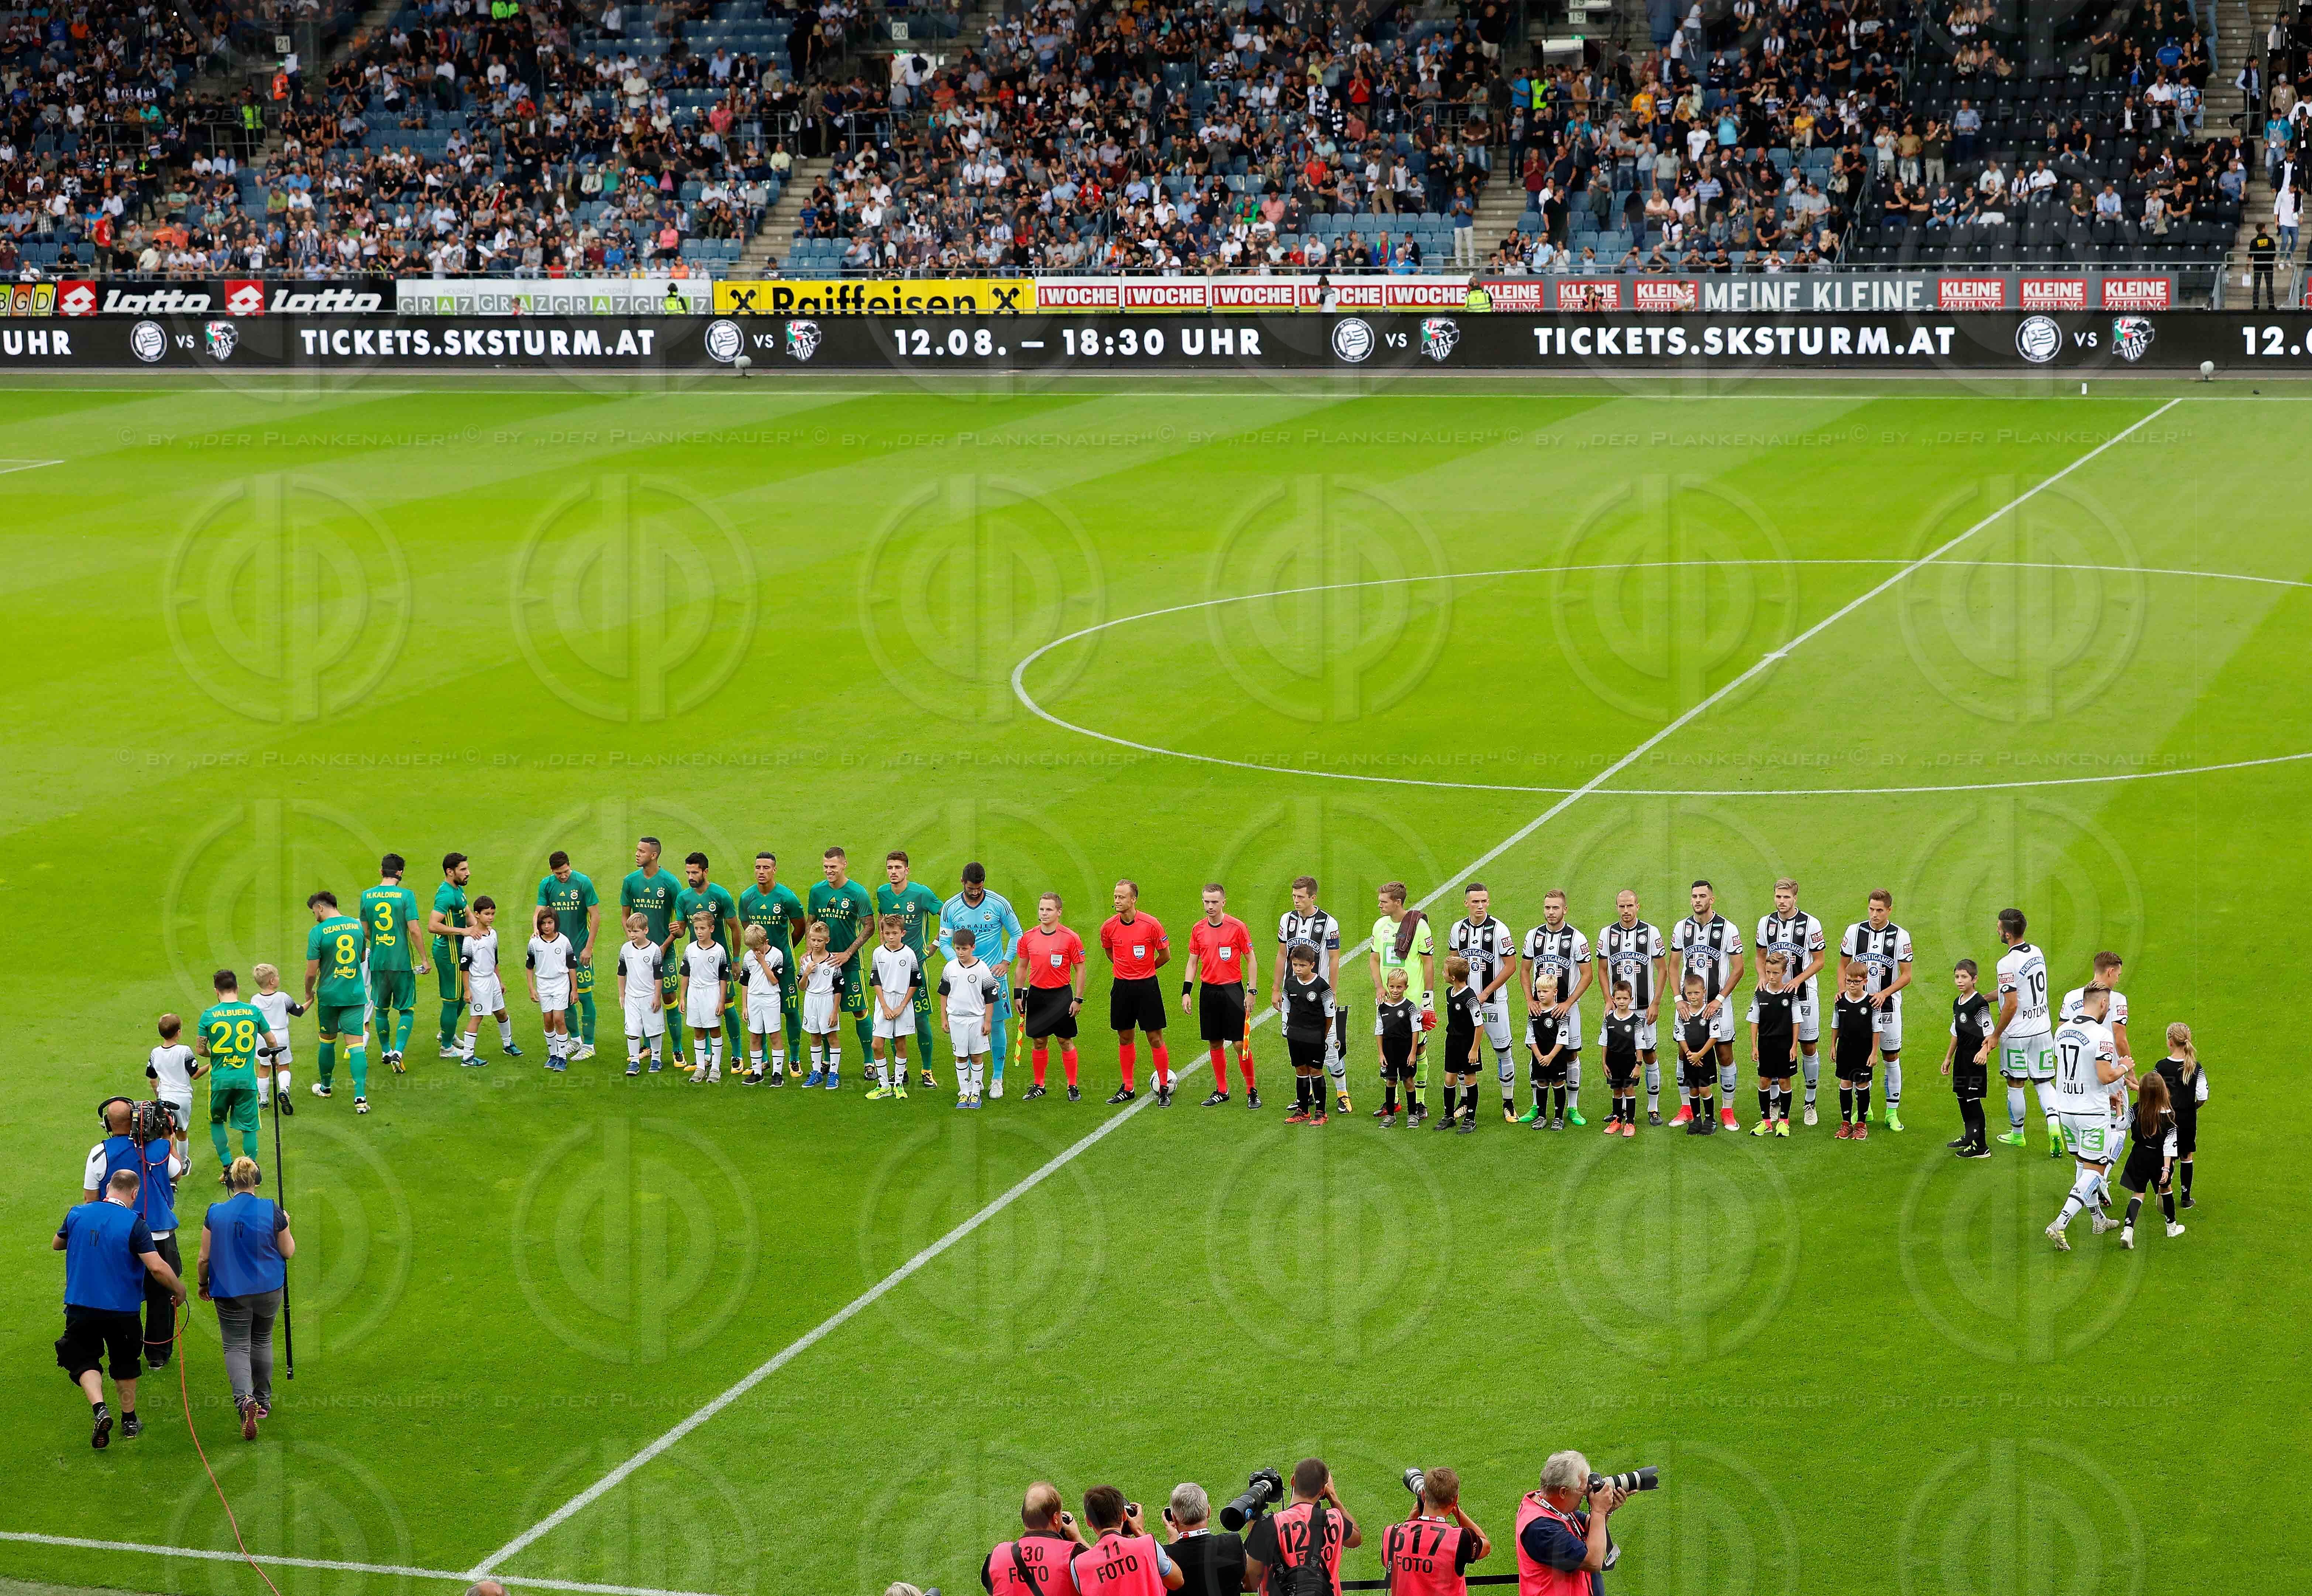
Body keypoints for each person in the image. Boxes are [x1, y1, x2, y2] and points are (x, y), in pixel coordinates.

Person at [55, 1167, 186, 1448]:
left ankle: (100, 1408)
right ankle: (129, 1421)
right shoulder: (135, 1224)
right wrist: (179, 1290)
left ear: (108, 1188)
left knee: (83, 1359)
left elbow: (57, 1244)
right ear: (135, 1193)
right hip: (122, 1310)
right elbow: (157, 1268)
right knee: (126, 1365)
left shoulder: (77, 1214)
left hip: (81, 1305)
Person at [83, 1098, 185, 1367]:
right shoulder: (160, 1148)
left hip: (117, 1237)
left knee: (122, 1292)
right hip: (159, 1235)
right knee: (162, 1295)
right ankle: (157, 1356)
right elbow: (177, 1173)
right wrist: (168, 1138)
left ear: (108, 1124)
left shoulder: (99, 1153)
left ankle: (126, 1351)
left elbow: (90, 1200)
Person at [200, 1155, 293, 1439]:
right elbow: (288, 1251)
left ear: (230, 1183)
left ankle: (244, 1400)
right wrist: (286, 1224)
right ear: (258, 1181)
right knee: (262, 1340)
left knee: (236, 1346)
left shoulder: (215, 1213)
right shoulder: (272, 1211)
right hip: (268, 1289)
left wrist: (203, 1283)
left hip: (229, 1292)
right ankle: (262, 1402)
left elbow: (204, 1258)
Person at [2046, 986, 2126, 1249]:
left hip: (2066, 1111)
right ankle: (2060, 1223)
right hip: (2092, 1113)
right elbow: (2105, 1076)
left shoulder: (2061, 1031)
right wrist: (2124, 1067)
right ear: (2103, 1004)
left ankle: (2098, 1220)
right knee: (2096, 1170)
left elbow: (2072, 1069)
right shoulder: (2102, 1035)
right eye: (2108, 1005)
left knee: (2083, 1166)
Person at [943, 863, 1025, 1097]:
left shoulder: (999, 904)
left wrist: (1006, 962)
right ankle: (973, 1080)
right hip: (964, 981)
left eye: (979, 888)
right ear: (963, 883)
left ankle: (997, 1078)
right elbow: (946, 942)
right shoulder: (950, 907)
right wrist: (959, 966)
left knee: (996, 1025)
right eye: (971, 888)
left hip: (993, 979)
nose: (975, 892)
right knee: (968, 1026)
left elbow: (1017, 934)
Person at [1671, 881, 1745, 1130]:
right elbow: (1673, 966)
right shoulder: (1682, 927)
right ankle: (1686, 1109)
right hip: (1688, 1004)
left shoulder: (1728, 929)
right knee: (1684, 1053)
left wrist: (1719, 999)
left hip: (1717, 1004)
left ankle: (1727, 1111)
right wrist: (1678, 999)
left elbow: (1739, 968)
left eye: (1703, 896)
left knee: (1724, 1055)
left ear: (1712, 900)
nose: (1698, 900)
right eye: (1694, 896)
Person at [1983, 908, 2058, 1155]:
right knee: (2044, 1083)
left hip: (2017, 1035)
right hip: (2042, 1030)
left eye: (1999, 928)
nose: (1997, 931)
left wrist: (1996, 1035)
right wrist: (1984, 999)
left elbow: (2012, 1003)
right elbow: (2016, 990)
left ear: (2007, 934)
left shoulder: (2006, 963)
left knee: (2016, 1084)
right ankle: (2054, 1127)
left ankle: (2018, 1135)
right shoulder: (2037, 952)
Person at [1754, 879, 1828, 1124]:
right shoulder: (1765, 923)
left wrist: (1797, 981)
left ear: (1795, 898)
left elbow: (1820, 961)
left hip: (1804, 995)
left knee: (1808, 1047)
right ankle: (1775, 1101)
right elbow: (1760, 956)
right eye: (1778, 897)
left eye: (1786, 897)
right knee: (1775, 1046)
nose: (1782, 901)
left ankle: (1810, 1102)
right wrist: (1763, 977)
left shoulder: (1811, 923)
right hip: (1775, 998)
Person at [1274, 876, 1350, 1113]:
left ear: (1313, 897)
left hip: (1319, 997)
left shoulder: (1329, 923)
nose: (1296, 901)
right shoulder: (1286, 920)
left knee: (1331, 1049)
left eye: (1300, 897)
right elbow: (1281, 955)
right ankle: (1305, 1097)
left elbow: (1335, 959)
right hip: (1294, 996)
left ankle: (1343, 1094)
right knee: (1300, 1047)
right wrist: (1276, 988)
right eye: (1294, 896)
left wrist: (1332, 992)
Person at [1840, 890, 1914, 1131]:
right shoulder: (1854, 931)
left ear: (1889, 910)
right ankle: (1866, 1109)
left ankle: (1892, 1112)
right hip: (1858, 1010)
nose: (1874, 914)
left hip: (1888, 1008)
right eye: (1871, 909)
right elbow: (1842, 966)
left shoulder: (1901, 936)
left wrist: (1884, 993)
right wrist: (1843, 992)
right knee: (1862, 1058)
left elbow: (1907, 976)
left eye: (1880, 910)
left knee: (1891, 1058)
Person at [1446, 884, 1521, 1123]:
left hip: (1493, 1003)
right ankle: (1465, 1101)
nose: (1480, 906)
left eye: (1484, 901)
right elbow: (1453, 965)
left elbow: (1511, 966)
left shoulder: (1499, 930)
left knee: (1503, 1051)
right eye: (1475, 902)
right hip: (1465, 1006)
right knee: (1463, 1052)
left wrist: (1486, 992)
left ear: (1488, 902)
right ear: (1466, 903)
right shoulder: (1457, 929)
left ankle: (1508, 1103)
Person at [877, 850, 947, 1090]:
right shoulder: (883, 893)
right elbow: (882, 918)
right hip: (890, 969)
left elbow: (948, 916)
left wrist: (934, 945)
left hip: (916, 966)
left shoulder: (921, 894)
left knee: (921, 1019)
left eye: (898, 867)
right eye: (890, 867)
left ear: (907, 870)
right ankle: (901, 1071)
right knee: (891, 1017)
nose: (893, 872)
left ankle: (927, 1070)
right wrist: (883, 946)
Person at [809, 847, 879, 1082]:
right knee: (825, 1012)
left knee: (859, 1010)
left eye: (833, 867)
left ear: (844, 865)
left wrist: (848, 953)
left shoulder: (857, 892)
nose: (829, 871)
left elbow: (870, 926)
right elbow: (812, 922)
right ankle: (827, 1062)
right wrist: (810, 951)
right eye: (826, 867)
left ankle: (870, 1062)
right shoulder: (817, 891)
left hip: (849, 963)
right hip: (823, 964)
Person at [1521, 890, 1590, 1127]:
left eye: (1556, 908)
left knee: (1570, 1054)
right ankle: (1536, 1107)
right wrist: (1530, 1000)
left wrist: (1568, 1003)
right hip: (1539, 1009)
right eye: (1548, 908)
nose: (1551, 912)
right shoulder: (1533, 936)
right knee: (1536, 1053)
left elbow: (1587, 975)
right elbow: (1525, 971)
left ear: (1565, 910)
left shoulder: (1577, 938)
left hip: (1567, 1009)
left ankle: (1572, 1107)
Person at [1100, 880, 1172, 1104]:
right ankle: (1128, 1087)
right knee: (1125, 1037)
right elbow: (1109, 952)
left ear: (1133, 900)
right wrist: (1124, 968)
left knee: (1155, 1038)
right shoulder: (1108, 927)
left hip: (1147, 987)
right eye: (1115, 897)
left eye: (1121, 897)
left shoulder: (1151, 925)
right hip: (1122, 988)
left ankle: (1164, 1087)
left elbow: (1165, 955)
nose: (1117, 901)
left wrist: (1147, 969)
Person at [1185, 884, 1258, 1108]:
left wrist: (1251, 991)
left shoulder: (1237, 927)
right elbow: (1193, 962)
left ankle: (1251, 1090)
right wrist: (1187, 992)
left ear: (1223, 902)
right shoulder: (1198, 929)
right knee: (1215, 1042)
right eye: (1207, 902)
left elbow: (1251, 960)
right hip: (1209, 991)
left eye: (1215, 902)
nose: (1210, 906)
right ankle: (1222, 1090)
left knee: (1240, 1044)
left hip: (1233, 991)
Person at [1598, 891, 1667, 1124]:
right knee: (1618, 1055)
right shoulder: (1607, 934)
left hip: (1643, 1010)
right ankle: (1619, 1110)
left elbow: (1663, 970)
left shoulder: (1651, 932)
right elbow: (1602, 970)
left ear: (1638, 906)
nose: (1626, 911)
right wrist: (1608, 999)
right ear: (1617, 907)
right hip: (1619, 1009)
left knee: (1648, 1055)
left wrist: (1656, 1003)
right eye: (1622, 906)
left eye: (1630, 906)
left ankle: (1653, 1108)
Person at [739, 852, 808, 1083]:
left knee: (790, 1010)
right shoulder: (747, 898)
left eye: (766, 868)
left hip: (784, 964)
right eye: (758, 867)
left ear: (774, 870)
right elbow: (748, 928)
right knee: (760, 1011)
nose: (761, 872)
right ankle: (764, 1059)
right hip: (757, 964)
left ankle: (795, 1058)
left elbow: (800, 927)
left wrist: (787, 949)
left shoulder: (787, 897)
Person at [1244, 1459, 1359, 1595]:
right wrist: (1333, 1497)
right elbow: (1356, 1539)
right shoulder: (1335, 1519)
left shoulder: (1267, 1526)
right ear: (1323, 1490)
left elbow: (1250, 1584)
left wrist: (1253, 1515)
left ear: (1293, 1480)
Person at [1515, 1451, 1625, 1594]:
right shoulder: (1541, 1529)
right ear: (1563, 1492)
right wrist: (1599, 1511)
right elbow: (1593, 1561)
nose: (1586, 1494)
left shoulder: (1553, 1503)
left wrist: (1607, 1510)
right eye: (1582, 1490)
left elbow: (1589, 1525)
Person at [622, 837, 689, 1069]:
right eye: (637, 850)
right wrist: (633, 941)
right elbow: (625, 915)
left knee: (668, 997)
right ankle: (645, 1047)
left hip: (665, 952)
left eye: (642, 851)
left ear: (654, 855)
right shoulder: (631, 881)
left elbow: (681, 922)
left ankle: (678, 1049)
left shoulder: (670, 883)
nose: (637, 854)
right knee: (640, 995)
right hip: (638, 953)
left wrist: (665, 944)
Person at [1370, 883, 1434, 1121]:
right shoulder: (1380, 926)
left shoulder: (1420, 927)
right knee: (1390, 1048)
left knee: (1418, 1049)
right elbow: (1374, 959)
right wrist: (1380, 987)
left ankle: (1420, 1102)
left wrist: (1428, 999)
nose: (1379, 905)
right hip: (1388, 1001)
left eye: (1384, 901)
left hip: (1412, 1001)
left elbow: (1428, 963)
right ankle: (1394, 1102)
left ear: (1397, 902)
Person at [302, 894, 371, 1113]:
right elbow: (362, 958)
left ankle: (326, 1087)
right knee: (356, 1046)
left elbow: (311, 972)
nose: (315, 916)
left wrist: (308, 992)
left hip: (329, 996)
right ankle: (360, 1098)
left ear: (320, 908)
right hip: (354, 995)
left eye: (314, 911)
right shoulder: (356, 926)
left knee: (327, 1042)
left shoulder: (318, 932)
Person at [358, 853, 426, 1073]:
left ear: (381, 871)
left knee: (381, 1009)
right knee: (407, 1009)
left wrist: (380, 942)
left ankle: (386, 1051)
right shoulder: (406, 896)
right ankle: (399, 1051)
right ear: (400, 873)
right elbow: (414, 930)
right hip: (401, 962)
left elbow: (365, 931)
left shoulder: (367, 896)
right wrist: (425, 959)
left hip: (378, 961)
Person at [676, 853, 744, 1071]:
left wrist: (735, 959)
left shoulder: (720, 895)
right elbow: (681, 930)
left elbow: (735, 928)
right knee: (700, 1007)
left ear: (705, 872)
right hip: (697, 960)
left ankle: (737, 1055)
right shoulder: (683, 898)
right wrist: (676, 931)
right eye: (688, 872)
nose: (691, 877)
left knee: (728, 1006)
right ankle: (705, 1056)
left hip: (720, 960)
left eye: (695, 872)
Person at [1018, 892, 1089, 1101]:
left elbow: (1080, 969)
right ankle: (1039, 1085)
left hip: (1061, 996)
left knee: (1065, 1041)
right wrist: (1018, 994)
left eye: (1049, 909)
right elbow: (1022, 967)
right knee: (1039, 1041)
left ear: (1059, 912)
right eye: (1041, 909)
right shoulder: (1029, 937)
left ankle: (1072, 1085)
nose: (1044, 913)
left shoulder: (1070, 938)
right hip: (1037, 995)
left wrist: (1078, 999)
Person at [1382, 1468, 1489, 1595]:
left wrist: (1413, 1516)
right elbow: (1486, 1546)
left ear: (1423, 1495)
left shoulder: (1393, 1534)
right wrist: (1457, 1511)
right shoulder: (1461, 1539)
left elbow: (1389, 1562)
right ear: (1455, 1500)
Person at [538, 851, 602, 1061]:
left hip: (580, 949)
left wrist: (589, 948)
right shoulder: (547, 885)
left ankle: (590, 1045)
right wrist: (536, 931)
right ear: (552, 871)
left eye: (566, 872)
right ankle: (575, 1039)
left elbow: (595, 916)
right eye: (559, 874)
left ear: (569, 865)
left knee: (584, 996)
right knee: (564, 998)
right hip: (557, 953)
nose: (563, 876)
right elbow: (540, 912)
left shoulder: (583, 883)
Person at [1069, 1486, 1184, 1595]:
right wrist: (1139, 1531)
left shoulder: (1078, 1565)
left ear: (1088, 1521)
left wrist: (1077, 1538)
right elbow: (1177, 1581)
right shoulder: (1148, 1545)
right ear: (1124, 1515)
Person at [2115, 1068, 2181, 1249]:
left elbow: (2121, 1125)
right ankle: (2171, 1227)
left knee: (2138, 1194)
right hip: (2159, 1159)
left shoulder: (2136, 1109)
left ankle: (2128, 1230)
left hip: (2138, 1155)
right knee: (2166, 1190)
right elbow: (2170, 1146)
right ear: (2162, 1091)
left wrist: (2119, 1106)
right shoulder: (2169, 1115)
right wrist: (2166, 1169)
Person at [984, 1480, 1088, 1595]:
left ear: (1024, 1517)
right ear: (1056, 1519)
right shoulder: (1073, 1554)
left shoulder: (997, 1555)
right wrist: (1077, 1538)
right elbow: (1100, 1578)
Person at [939, 928, 1002, 1108]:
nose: (961, 953)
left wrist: (988, 1022)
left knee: (976, 1056)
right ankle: (964, 1092)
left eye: (964, 949)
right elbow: (944, 994)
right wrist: (944, 1018)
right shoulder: (950, 968)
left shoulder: (982, 969)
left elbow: (990, 998)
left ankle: (975, 1093)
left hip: (976, 1020)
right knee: (960, 1057)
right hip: (956, 1019)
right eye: (958, 949)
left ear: (973, 948)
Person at [427, 852, 478, 1059]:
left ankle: (447, 1032)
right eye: (463, 870)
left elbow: (467, 914)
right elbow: (433, 926)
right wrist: (463, 932)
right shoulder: (446, 895)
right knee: (452, 999)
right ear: (450, 872)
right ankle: (447, 1048)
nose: (468, 873)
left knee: (462, 996)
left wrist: (482, 931)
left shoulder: (458, 890)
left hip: (458, 951)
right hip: (449, 953)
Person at [1280, 942, 1337, 1126]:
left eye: (1302, 965)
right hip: (1295, 1035)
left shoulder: (1321, 986)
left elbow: (1330, 1014)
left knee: (1315, 1071)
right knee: (1301, 1071)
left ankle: (1321, 1113)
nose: (1298, 969)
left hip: (1315, 1036)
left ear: (1312, 965)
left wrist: (1323, 1034)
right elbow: (1286, 1008)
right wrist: (1287, 1028)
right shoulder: (1290, 984)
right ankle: (1303, 1111)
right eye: (1295, 965)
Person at [456, 897, 517, 1066]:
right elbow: (465, 967)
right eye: (487, 914)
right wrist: (467, 990)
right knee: (477, 1018)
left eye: (493, 914)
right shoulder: (471, 938)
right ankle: (467, 1057)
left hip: (492, 980)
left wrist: (500, 981)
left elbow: (495, 960)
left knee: (501, 1013)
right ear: (477, 914)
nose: (491, 917)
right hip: (479, 983)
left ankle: (508, 1045)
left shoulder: (493, 934)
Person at [1942, 959, 1993, 1158]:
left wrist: (1984, 1052)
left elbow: (1990, 1034)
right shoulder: (1957, 1003)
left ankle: (1981, 1146)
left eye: (1964, 977)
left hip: (1975, 1060)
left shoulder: (1980, 1004)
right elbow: (1955, 1033)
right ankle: (1970, 1136)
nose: (1960, 981)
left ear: (1975, 979)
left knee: (1972, 1101)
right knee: (1962, 1098)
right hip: (1961, 1058)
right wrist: (1948, 1058)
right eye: (1957, 977)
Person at [2154, 1022, 2208, 1209]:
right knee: (2186, 1155)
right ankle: (2186, 1198)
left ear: (2170, 1042)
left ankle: (2164, 1192)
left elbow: (2153, 1090)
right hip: (2187, 1118)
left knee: (2167, 1155)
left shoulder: (2161, 1067)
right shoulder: (2195, 1067)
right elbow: (2203, 1096)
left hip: (2166, 1118)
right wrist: (2193, 1107)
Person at [1746, 951, 1798, 1137]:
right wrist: (1754, 1046)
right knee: (1764, 1080)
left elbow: (1796, 1021)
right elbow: (1754, 1021)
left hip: (1785, 1045)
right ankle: (1766, 1122)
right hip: (1766, 1044)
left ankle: (1784, 1121)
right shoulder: (1760, 994)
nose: (1771, 977)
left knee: (1784, 1081)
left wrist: (1794, 1046)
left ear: (1784, 972)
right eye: (1768, 972)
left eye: (1776, 973)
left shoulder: (1790, 994)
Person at [1159, 1483, 1244, 1596]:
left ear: (1174, 1518)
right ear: (1208, 1511)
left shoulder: (1164, 1558)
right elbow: (1249, 1582)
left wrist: (1174, 1545)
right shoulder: (1234, 1543)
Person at [680, 910, 735, 1084]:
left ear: (711, 929)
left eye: (703, 928)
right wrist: (682, 998)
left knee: (715, 1030)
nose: (699, 932)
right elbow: (685, 975)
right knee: (698, 1031)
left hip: (712, 993)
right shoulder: (690, 949)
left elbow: (723, 978)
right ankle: (701, 1068)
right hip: (694, 993)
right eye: (696, 928)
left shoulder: (719, 951)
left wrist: (721, 1001)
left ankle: (716, 1068)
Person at [526, 906, 578, 1074]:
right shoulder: (534, 943)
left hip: (561, 984)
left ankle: (562, 1057)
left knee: (559, 1019)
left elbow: (572, 967)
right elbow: (530, 967)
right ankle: (553, 1055)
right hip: (543, 985)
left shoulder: (564, 941)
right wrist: (532, 988)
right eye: (544, 923)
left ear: (556, 923)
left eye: (550, 923)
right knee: (548, 1021)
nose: (547, 926)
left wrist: (574, 990)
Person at [616, 911, 668, 1076]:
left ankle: (656, 1059)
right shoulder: (626, 949)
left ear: (646, 931)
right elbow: (621, 973)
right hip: (632, 997)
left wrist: (657, 996)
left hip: (649, 996)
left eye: (636, 931)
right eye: (630, 931)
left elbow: (658, 976)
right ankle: (634, 1061)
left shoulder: (654, 950)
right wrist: (622, 995)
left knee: (654, 1030)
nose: (632, 935)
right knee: (632, 1030)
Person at [738, 924, 788, 1086]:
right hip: (754, 1000)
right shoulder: (748, 957)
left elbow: (774, 980)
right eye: (751, 948)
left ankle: (777, 1074)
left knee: (774, 1035)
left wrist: (762, 962)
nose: (754, 951)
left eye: (757, 947)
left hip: (771, 999)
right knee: (755, 1036)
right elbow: (745, 983)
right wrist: (745, 1006)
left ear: (766, 942)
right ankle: (757, 1072)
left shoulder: (777, 955)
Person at [247, 965, 302, 1112]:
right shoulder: (283, 997)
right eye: (277, 976)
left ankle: (264, 1100)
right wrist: (310, 1000)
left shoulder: (255, 1000)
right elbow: (298, 1012)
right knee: (283, 1066)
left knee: (264, 1067)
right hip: (281, 1036)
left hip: (262, 1037)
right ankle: (284, 1090)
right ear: (272, 981)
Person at [1831, 965, 1877, 1139]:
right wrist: (1833, 1046)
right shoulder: (1840, 1001)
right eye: (1849, 981)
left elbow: (1877, 1029)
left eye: (1856, 982)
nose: (1852, 985)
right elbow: (1835, 1025)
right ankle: (1846, 1124)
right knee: (1845, 1083)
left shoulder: (1872, 1003)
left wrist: (1874, 1052)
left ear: (1865, 981)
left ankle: (1861, 1125)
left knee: (1862, 1084)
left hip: (1863, 1051)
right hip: (1845, 1049)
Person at [149, 1013, 205, 1155]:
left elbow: (152, 1079)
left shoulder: (155, 1053)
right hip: (183, 1099)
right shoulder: (184, 1051)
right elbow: (195, 1074)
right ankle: (183, 1162)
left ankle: (167, 1161)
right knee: (182, 1132)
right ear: (179, 1032)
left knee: (166, 1133)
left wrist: (159, 1096)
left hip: (165, 1098)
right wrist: (212, 1065)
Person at [1673, 974, 1719, 1136]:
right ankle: (1697, 1120)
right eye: (1690, 994)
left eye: (1697, 993)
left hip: (1705, 1057)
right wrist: (1688, 1053)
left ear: (1704, 992)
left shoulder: (1709, 1012)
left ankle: (1710, 1120)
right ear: (1685, 994)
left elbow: (1715, 1036)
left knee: (1704, 1089)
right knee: (1693, 1089)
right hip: (1690, 1058)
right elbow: (1680, 1036)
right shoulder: (1683, 1013)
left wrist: (1700, 1054)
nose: (1693, 997)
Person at [799, 921, 843, 1086]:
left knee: (832, 1037)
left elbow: (839, 989)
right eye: (813, 940)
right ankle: (816, 1072)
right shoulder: (805, 961)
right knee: (815, 1036)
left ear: (827, 941)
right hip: (811, 1001)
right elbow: (802, 987)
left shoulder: (833, 962)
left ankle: (834, 1073)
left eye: (820, 940)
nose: (816, 944)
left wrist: (835, 1012)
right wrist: (806, 974)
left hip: (827, 1001)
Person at [1375, 968, 1420, 1127]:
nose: (1395, 990)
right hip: (1389, 1051)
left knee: (1408, 1081)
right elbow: (1379, 1031)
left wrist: (1413, 1053)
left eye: (1399, 987)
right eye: (1392, 987)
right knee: (1391, 1081)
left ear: (1406, 987)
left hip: (1406, 1051)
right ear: (1388, 986)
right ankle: (1390, 1115)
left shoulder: (1410, 1007)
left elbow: (1416, 1031)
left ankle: (1413, 1114)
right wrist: (1381, 1054)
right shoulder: (1382, 1008)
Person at [1599, 982, 1642, 1136]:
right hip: (1613, 1062)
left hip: (1629, 1062)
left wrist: (1638, 1065)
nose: (1622, 1001)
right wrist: (1604, 1062)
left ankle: (1630, 1123)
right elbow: (1604, 1043)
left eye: (1625, 998)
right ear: (1613, 999)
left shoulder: (1636, 1021)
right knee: (1617, 1090)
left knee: (1629, 1089)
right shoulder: (1609, 1020)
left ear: (1631, 999)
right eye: (1619, 998)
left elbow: (1640, 1045)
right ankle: (1617, 1121)